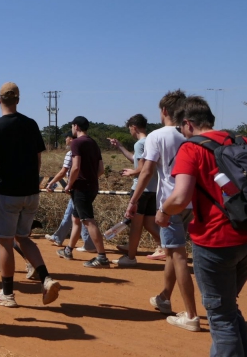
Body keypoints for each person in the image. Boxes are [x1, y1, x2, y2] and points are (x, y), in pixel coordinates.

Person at [163, 95, 247, 349]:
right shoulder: (245, 142)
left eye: (180, 128)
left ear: (188, 124)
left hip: (216, 241)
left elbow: (180, 196)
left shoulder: (191, 148)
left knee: (220, 316)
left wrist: (163, 211)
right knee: (228, 307)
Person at [0, 82, 61, 307]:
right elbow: (38, 158)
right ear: (18, 100)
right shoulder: (31, 124)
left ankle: (7, 294)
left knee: (4, 242)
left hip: (8, 193)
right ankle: (46, 278)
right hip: (31, 192)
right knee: (23, 238)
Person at [124, 89, 199, 331]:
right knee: (171, 252)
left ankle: (191, 315)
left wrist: (133, 200)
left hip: (170, 204)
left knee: (177, 256)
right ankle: (164, 297)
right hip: (192, 203)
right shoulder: (191, 135)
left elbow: (146, 171)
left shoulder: (157, 136)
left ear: (164, 111)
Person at [107, 114, 164, 265]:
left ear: (134, 127)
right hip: (154, 190)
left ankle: (130, 257)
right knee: (150, 224)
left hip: (141, 189)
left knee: (136, 226)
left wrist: (131, 172)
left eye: (130, 129)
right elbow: (137, 160)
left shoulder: (139, 144)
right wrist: (119, 146)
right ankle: (165, 246)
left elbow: (141, 167)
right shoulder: (151, 141)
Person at [57, 116, 109, 268]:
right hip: (92, 186)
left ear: (76, 126)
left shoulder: (77, 143)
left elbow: (75, 167)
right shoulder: (93, 143)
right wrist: (90, 178)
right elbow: (101, 170)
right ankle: (68, 249)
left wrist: (69, 184)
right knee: (76, 219)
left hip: (80, 188)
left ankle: (102, 257)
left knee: (87, 220)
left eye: (72, 126)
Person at [44, 132, 96, 252]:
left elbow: (64, 171)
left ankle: (89, 244)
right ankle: (59, 238)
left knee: (81, 217)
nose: (65, 140)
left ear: (71, 139)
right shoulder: (89, 151)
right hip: (87, 187)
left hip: (77, 188)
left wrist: (53, 183)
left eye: (66, 137)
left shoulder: (71, 153)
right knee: (73, 215)